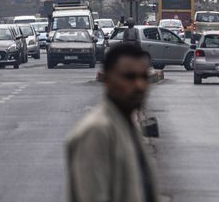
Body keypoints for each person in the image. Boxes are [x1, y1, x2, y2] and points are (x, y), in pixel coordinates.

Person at [65, 44, 159, 202]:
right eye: (129, 77)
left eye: (144, 77)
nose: (139, 85)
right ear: (108, 80)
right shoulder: (97, 131)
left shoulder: (128, 125)